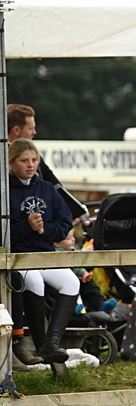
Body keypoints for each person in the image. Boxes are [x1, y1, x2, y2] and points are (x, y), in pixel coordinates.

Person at [7, 139, 79, 364]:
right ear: (11, 163)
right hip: (19, 258)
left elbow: (65, 223)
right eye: (24, 160)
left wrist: (43, 229)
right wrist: (27, 226)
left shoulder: (47, 188)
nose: (30, 165)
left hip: (44, 253)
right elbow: (5, 232)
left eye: (34, 160)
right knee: (35, 281)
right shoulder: (5, 189)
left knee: (71, 282)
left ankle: (52, 342)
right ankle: (40, 343)